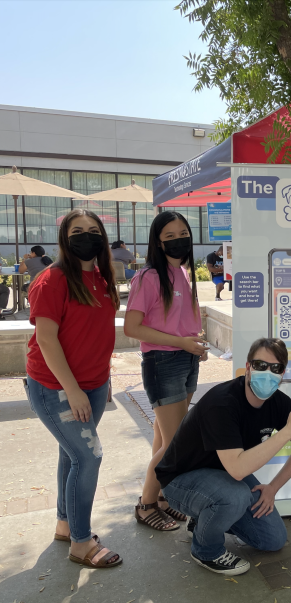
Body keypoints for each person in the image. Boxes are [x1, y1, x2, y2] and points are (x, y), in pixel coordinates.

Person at [156, 338, 291, 575]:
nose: (267, 373)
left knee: (272, 539)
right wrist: (285, 434)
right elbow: (238, 470)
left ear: (283, 373)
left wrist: (272, 488)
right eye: (260, 365)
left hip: (223, 477)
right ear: (248, 367)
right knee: (235, 496)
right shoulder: (222, 402)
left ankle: (203, 520)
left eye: (276, 368)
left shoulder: (280, 403)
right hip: (180, 481)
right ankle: (206, 550)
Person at [25, 209, 122, 569]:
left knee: (72, 455)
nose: (86, 236)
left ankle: (65, 525)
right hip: (56, 388)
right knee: (88, 456)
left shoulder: (100, 276)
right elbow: (47, 341)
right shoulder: (52, 280)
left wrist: (104, 378)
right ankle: (81, 543)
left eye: (93, 231)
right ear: (65, 238)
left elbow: (95, 334)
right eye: (77, 231)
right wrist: (74, 390)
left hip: (94, 385)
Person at [124, 211, 206, 533]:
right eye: (169, 236)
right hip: (163, 363)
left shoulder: (183, 273)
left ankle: (161, 500)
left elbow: (179, 323)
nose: (177, 240)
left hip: (186, 361)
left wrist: (192, 345)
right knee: (175, 443)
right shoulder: (149, 277)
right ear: (157, 242)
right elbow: (132, 328)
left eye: (182, 233)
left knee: (163, 436)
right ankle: (146, 504)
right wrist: (182, 344)